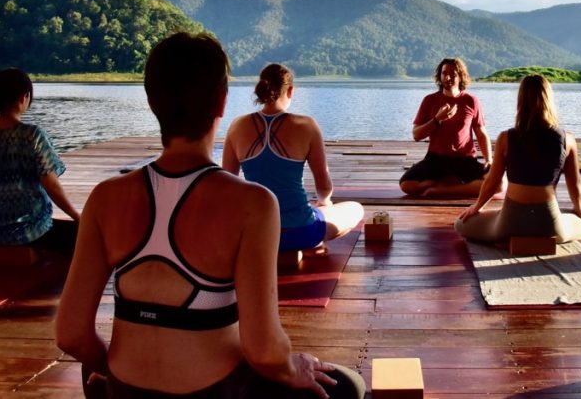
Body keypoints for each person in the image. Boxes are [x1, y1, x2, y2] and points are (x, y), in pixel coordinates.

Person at [56, 33, 365, 399]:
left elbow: (72, 334)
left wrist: (109, 368)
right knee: (346, 386)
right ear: (221, 102)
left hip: (127, 389)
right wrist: (293, 365)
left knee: (91, 379)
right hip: (217, 390)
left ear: (152, 101)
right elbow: (265, 351)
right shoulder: (252, 203)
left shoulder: (105, 197)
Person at [223, 63, 363, 252]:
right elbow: (323, 186)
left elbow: (227, 186)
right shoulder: (306, 126)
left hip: (257, 235)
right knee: (355, 208)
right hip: (300, 231)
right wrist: (324, 203)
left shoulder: (237, 126)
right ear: (290, 91)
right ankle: (313, 241)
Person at [454, 74, 581, 244]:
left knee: (460, 224)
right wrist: (580, 209)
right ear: (549, 100)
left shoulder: (506, 138)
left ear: (521, 101)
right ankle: (569, 222)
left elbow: (493, 182)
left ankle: (506, 236)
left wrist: (477, 207)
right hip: (550, 226)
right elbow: (575, 183)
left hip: (510, 224)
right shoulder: (567, 139)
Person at [0, 68, 79, 253]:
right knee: (82, 236)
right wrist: (76, 216)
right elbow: (51, 185)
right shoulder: (31, 135)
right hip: (31, 233)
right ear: (24, 97)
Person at [400, 57, 493, 197]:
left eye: (453, 74)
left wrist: (489, 159)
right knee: (406, 185)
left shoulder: (471, 101)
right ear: (440, 75)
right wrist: (437, 119)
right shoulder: (429, 100)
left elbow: (481, 133)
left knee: (499, 184)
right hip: (436, 160)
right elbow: (416, 135)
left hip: (465, 159)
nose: (447, 77)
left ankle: (443, 189)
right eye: (444, 73)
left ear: (461, 77)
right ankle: (454, 184)